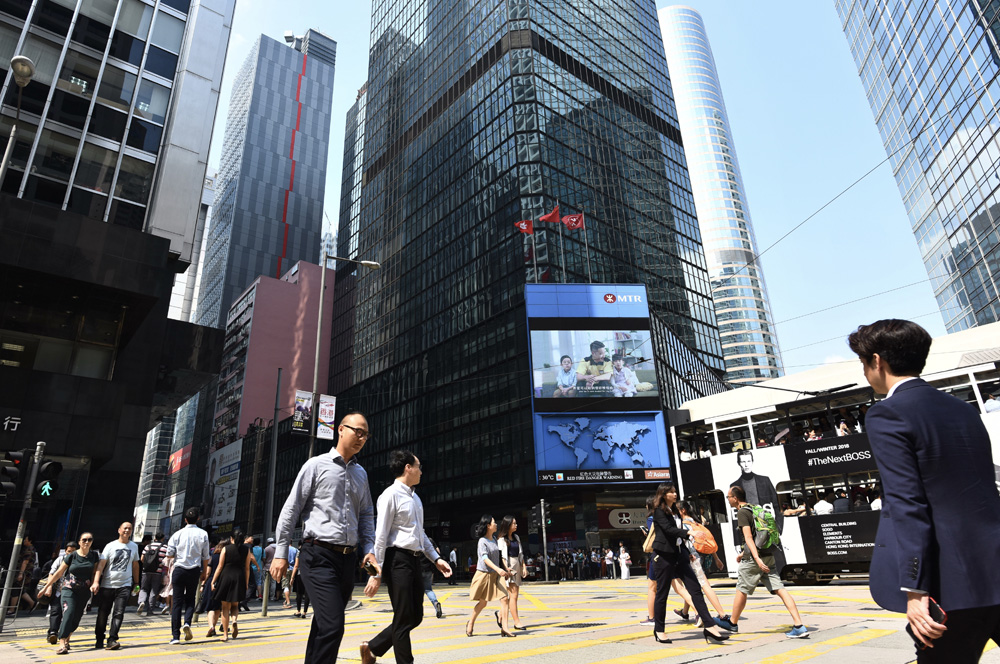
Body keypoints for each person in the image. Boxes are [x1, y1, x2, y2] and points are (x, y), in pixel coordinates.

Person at [848, 318, 1000, 658]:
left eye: (862, 362)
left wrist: (915, 591)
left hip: (951, 583)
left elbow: (907, 503)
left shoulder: (888, 414)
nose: (864, 371)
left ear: (877, 361)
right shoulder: (963, 409)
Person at [272, 411, 377, 664]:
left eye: (366, 434)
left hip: (347, 560)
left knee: (322, 625)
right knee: (333, 626)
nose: (361, 438)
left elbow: (366, 515)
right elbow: (291, 509)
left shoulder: (361, 474)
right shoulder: (316, 465)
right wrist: (280, 553)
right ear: (340, 429)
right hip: (317, 555)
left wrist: (369, 549)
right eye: (357, 431)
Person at [361, 450, 452, 664]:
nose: (421, 471)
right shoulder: (389, 495)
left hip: (415, 560)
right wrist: (375, 573)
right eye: (418, 466)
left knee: (415, 616)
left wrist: (436, 559)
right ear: (407, 468)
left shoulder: (415, 498)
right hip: (396, 560)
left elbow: (420, 535)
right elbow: (381, 535)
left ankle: (372, 647)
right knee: (402, 618)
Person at [717, 485, 808, 638]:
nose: (727, 499)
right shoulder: (755, 508)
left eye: (728, 497)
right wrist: (743, 552)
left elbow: (749, 537)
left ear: (735, 498)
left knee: (741, 589)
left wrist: (756, 559)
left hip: (754, 559)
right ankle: (799, 625)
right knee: (781, 589)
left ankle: (732, 623)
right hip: (768, 555)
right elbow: (757, 535)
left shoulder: (742, 512)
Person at [649, 483, 730, 645]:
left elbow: (677, 538)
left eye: (674, 491)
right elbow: (668, 531)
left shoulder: (675, 512)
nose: (675, 494)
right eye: (671, 492)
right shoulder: (658, 512)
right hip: (664, 556)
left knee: (695, 589)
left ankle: (710, 626)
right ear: (664, 494)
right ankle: (659, 630)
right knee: (662, 594)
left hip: (680, 555)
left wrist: (688, 553)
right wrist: (689, 532)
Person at [40, 533, 100, 655]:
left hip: (84, 592)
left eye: (89, 540)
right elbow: (58, 572)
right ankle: (62, 643)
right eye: (84, 540)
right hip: (68, 589)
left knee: (76, 618)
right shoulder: (72, 556)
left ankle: (67, 637)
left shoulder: (94, 556)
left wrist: (95, 583)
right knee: (69, 613)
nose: (86, 542)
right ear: (79, 542)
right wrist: (47, 586)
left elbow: (95, 572)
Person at [673, 501, 727, 626]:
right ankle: (685, 612)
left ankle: (722, 614)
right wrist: (717, 558)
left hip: (692, 558)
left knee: (704, 585)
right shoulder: (696, 522)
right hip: (702, 556)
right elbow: (707, 541)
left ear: (683, 511)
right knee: (692, 584)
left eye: (676, 510)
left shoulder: (684, 525)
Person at [165, 507, 211, 645]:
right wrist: (204, 572)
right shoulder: (203, 534)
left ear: (185, 519)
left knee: (177, 602)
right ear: (198, 519)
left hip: (179, 570)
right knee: (190, 599)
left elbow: (169, 554)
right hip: (194, 570)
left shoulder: (177, 534)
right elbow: (205, 556)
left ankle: (175, 636)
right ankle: (187, 622)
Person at [91, 521, 140, 650]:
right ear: (119, 530)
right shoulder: (110, 546)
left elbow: (135, 566)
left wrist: (136, 583)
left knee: (119, 613)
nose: (127, 530)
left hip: (125, 585)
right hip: (108, 584)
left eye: (129, 529)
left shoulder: (134, 547)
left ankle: (112, 639)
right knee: (103, 613)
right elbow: (101, 565)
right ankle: (99, 638)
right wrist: (96, 581)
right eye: (125, 528)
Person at [465, 515, 513, 638]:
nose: (496, 524)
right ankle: (470, 622)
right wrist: (498, 569)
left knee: (505, 598)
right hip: (484, 575)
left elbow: (498, 557)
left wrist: (505, 568)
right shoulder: (482, 541)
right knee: (483, 603)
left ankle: (505, 628)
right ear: (488, 525)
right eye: (493, 522)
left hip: (496, 575)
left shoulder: (494, 540)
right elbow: (485, 558)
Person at [211, 528, 251, 641]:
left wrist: (213, 580)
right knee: (235, 605)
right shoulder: (247, 550)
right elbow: (247, 568)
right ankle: (234, 621)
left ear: (231, 538)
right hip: (239, 577)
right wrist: (246, 583)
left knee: (225, 608)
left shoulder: (225, 549)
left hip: (226, 577)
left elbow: (219, 567)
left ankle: (225, 634)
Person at [44, 541, 78, 644]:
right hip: (59, 591)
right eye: (68, 551)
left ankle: (62, 634)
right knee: (56, 611)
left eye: (73, 551)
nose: (70, 553)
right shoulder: (60, 560)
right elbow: (51, 573)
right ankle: (53, 632)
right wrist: (49, 587)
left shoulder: (78, 561)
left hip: (72, 592)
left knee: (68, 614)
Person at [496, 515, 526, 630]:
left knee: (513, 596)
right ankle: (516, 622)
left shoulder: (517, 537)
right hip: (508, 568)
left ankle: (500, 614)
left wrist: (524, 567)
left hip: (517, 566)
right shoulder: (501, 540)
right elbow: (501, 557)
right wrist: (506, 568)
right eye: (514, 523)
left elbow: (521, 553)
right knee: (513, 596)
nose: (516, 525)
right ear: (508, 525)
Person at [138, 531, 167, 616]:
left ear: (155, 538)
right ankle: (150, 610)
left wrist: (147, 565)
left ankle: (141, 602)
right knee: (153, 591)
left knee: (144, 588)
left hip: (146, 571)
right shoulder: (165, 547)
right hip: (157, 572)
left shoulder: (148, 546)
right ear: (162, 539)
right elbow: (166, 561)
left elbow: (142, 558)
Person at [199, 540, 223, 637]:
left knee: (210, 607)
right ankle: (215, 626)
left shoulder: (213, 556)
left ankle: (211, 626)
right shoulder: (226, 557)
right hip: (222, 583)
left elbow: (208, 573)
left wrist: (202, 584)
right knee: (217, 607)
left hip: (211, 583)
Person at [291, 545, 310, 618]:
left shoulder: (299, 552)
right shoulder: (312, 552)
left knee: (299, 593)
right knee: (307, 593)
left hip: (300, 574)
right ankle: (304, 612)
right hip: (309, 575)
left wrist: (292, 577)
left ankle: (298, 611)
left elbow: (296, 565)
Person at [282, 543, 299, 608]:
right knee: (290, 585)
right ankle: (286, 600)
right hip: (293, 569)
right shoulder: (296, 550)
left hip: (285, 568)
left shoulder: (284, 550)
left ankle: (288, 602)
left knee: (285, 585)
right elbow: (296, 564)